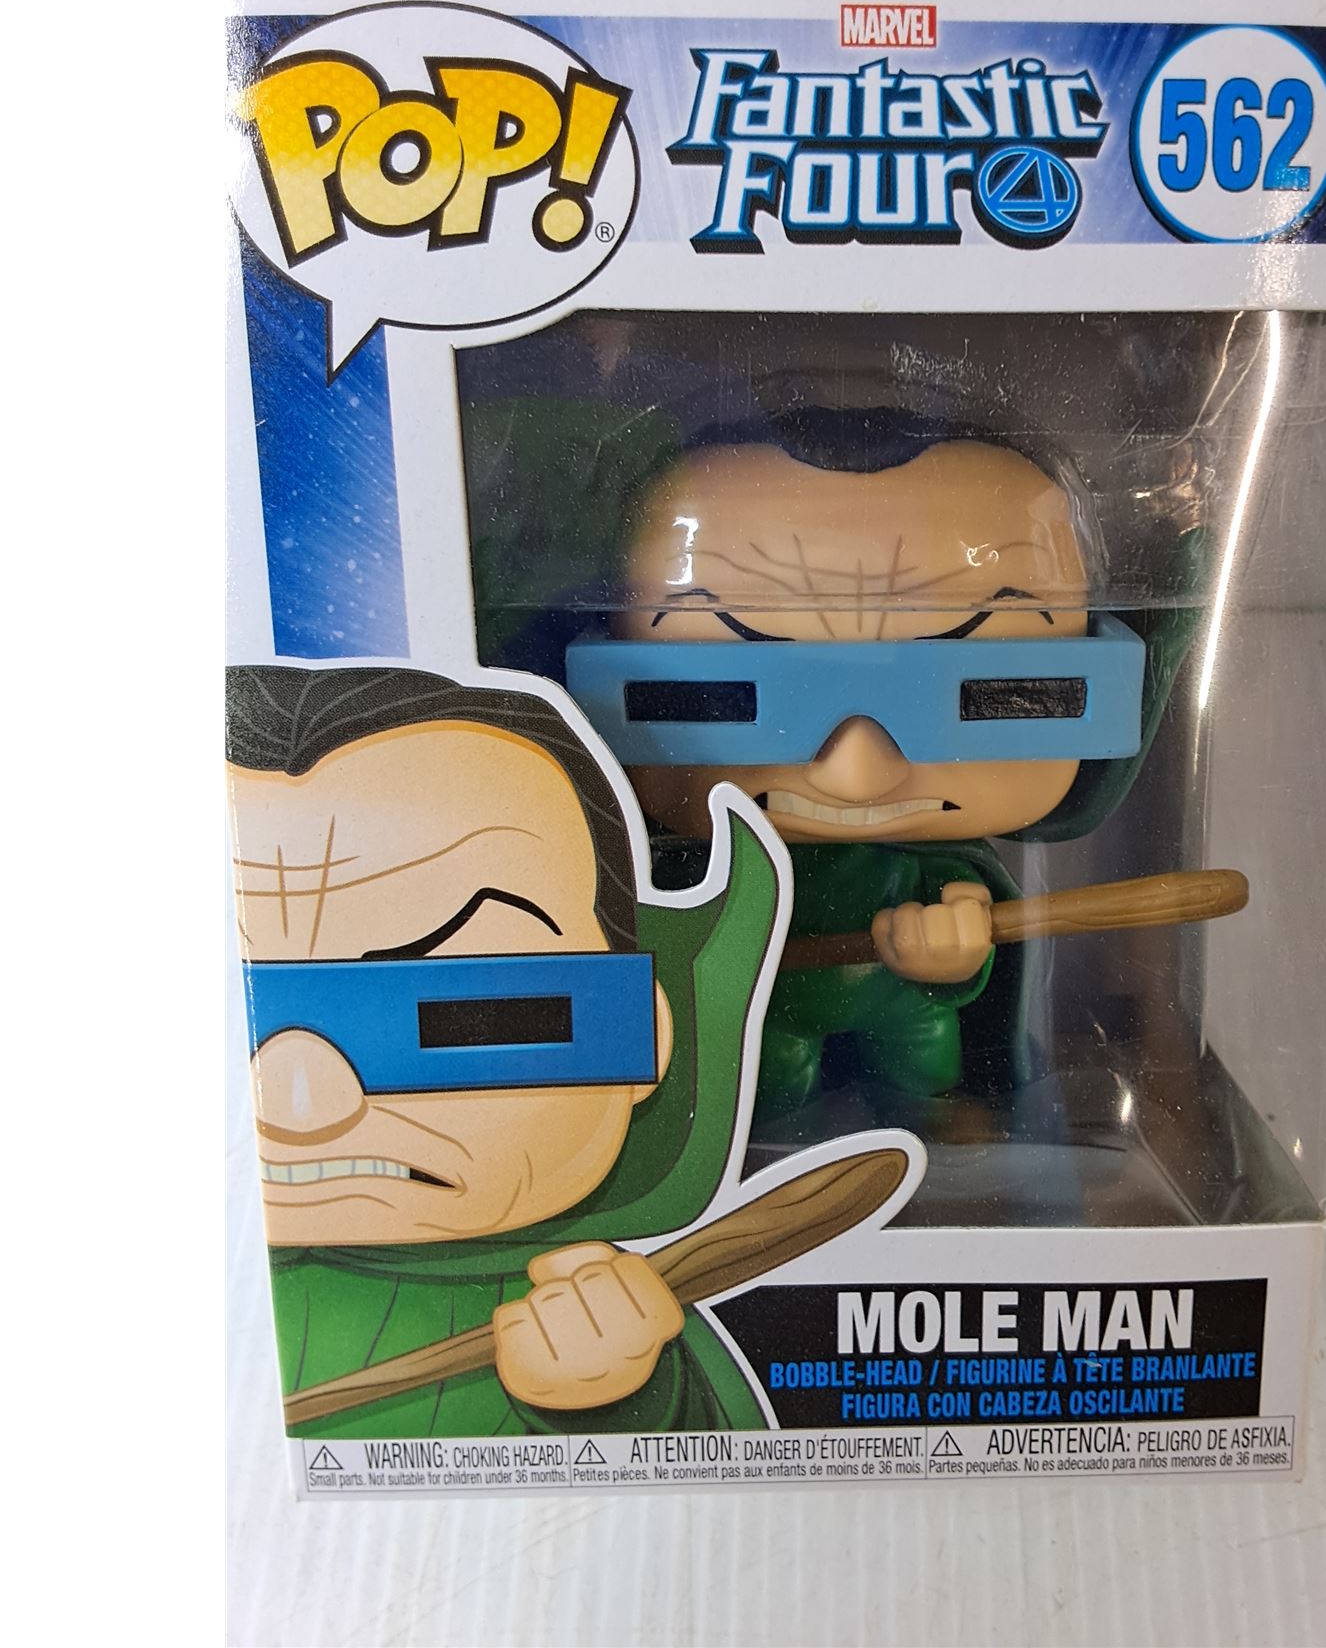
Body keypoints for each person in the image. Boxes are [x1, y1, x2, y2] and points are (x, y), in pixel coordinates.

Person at [227, 664, 780, 1437]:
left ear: (645, 1030)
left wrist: (620, 1395)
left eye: (467, 1018)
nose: (299, 1110)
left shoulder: (585, 1303)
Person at [568, 409, 1147, 1116]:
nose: (857, 776)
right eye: (728, 695)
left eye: (984, 692)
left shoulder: (931, 863)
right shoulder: (700, 867)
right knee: (763, 1095)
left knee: (931, 1087)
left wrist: (958, 948)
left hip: (907, 1012)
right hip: (770, 1017)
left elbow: (970, 921)